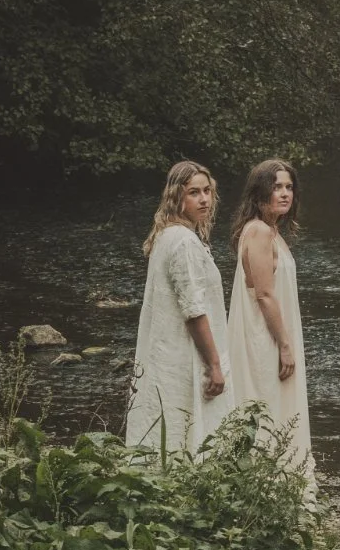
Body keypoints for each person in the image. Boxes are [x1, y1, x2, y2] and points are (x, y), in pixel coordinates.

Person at [125, 160, 232, 454]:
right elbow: (194, 310)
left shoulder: (170, 235)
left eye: (207, 191)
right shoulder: (183, 242)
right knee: (183, 430)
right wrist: (215, 365)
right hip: (183, 356)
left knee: (169, 426)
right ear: (177, 197)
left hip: (167, 352)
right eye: (194, 193)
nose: (204, 199)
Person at [225, 158, 314, 484]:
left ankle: (277, 484)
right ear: (260, 191)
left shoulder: (269, 231)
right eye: (277, 187)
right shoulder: (260, 232)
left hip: (271, 336)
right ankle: (268, 485)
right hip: (265, 339)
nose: (285, 193)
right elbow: (263, 294)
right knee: (268, 406)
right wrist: (285, 345)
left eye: (289, 187)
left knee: (276, 408)